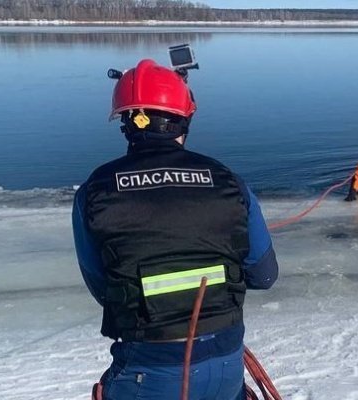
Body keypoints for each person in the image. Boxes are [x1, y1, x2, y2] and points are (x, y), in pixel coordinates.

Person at [72, 59, 278, 400]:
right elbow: (264, 275)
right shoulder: (228, 181)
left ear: (126, 123)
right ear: (186, 116)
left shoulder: (96, 191)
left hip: (148, 370)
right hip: (225, 366)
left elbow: (103, 289)